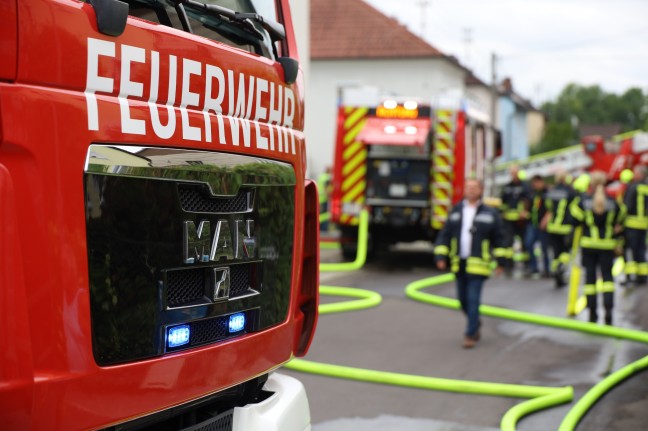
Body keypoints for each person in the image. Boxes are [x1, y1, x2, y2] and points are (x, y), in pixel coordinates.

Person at [434, 178, 510, 348]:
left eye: (475, 187)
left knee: (473, 298)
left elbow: (500, 238)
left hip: (478, 265)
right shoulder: (456, 211)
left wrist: (501, 262)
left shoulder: (490, 213)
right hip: (458, 263)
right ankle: (474, 322)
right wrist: (440, 256)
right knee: (462, 300)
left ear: (481, 190)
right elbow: (445, 235)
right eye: (468, 187)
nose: (471, 190)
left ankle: (470, 334)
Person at [569, 171, 625, 325]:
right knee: (607, 280)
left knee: (590, 281)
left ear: (591, 184)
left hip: (588, 246)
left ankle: (592, 315)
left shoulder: (583, 201)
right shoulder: (613, 202)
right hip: (607, 246)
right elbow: (621, 219)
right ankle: (608, 314)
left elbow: (574, 219)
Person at [545, 169, 577, 287]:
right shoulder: (570, 192)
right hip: (565, 228)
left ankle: (556, 272)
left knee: (555, 253)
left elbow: (548, 207)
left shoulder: (551, 192)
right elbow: (574, 210)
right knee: (565, 252)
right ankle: (561, 270)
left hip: (552, 227)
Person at [499, 165, 530, 274]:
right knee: (508, 242)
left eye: (515, 172)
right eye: (512, 173)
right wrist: (502, 213)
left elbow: (529, 201)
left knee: (525, 242)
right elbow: (503, 202)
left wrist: (525, 212)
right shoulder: (507, 187)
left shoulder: (525, 186)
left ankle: (527, 264)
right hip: (508, 220)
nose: (514, 175)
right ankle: (509, 263)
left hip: (522, 221)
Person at [621, 166, 648, 286]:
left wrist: (619, 222)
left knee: (631, 251)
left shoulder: (633, 187)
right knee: (641, 250)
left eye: (635, 172)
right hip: (644, 224)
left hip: (631, 224)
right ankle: (643, 276)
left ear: (640, 175)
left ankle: (631, 277)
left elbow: (626, 206)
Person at [525, 174, 551, 278]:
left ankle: (547, 269)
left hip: (543, 225)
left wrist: (545, 220)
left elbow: (551, 209)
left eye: (536, 182)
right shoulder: (532, 194)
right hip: (532, 223)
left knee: (544, 247)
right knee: (528, 244)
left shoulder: (547, 193)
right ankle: (533, 267)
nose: (535, 185)